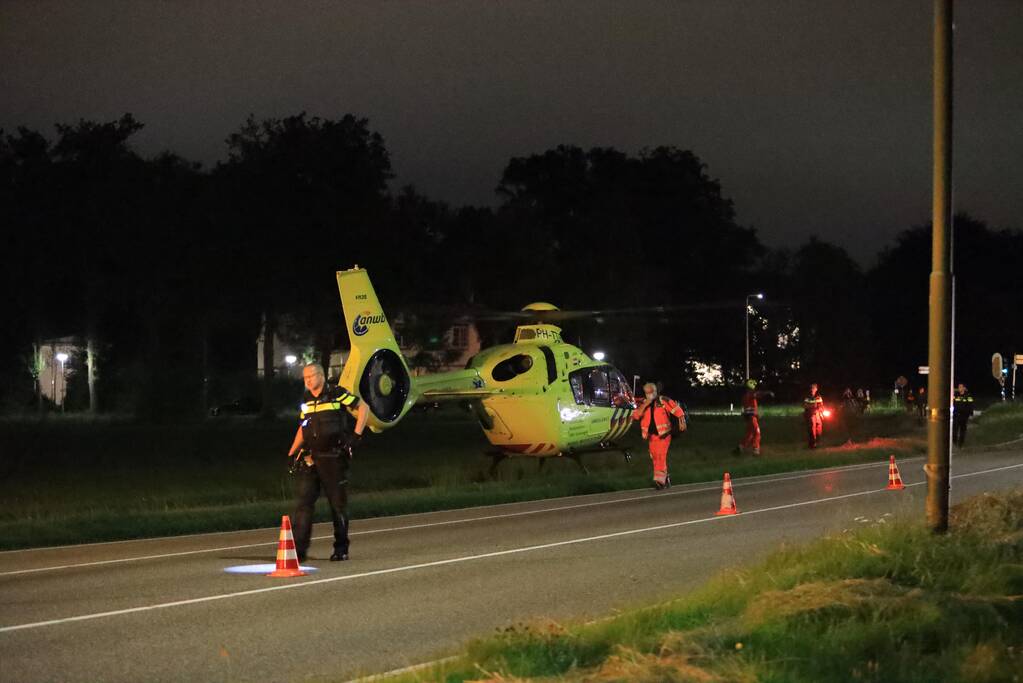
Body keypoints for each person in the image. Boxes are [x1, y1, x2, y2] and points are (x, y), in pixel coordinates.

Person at [287, 363, 369, 562]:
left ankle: (341, 548)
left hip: (333, 458)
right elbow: (303, 427)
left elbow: (363, 407)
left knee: (337, 504)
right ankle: (299, 550)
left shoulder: (336, 393)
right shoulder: (306, 399)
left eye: (311, 376)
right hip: (311, 458)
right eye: (305, 377)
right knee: (304, 503)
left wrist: (356, 436)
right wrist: (292, 452)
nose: (307, 380)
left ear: (321, 376)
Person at [632, 382, 686, 489]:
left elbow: (676, 409)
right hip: (651, 437)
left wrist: (682, 420)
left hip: (664, 435)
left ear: (655, 391)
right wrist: (645, 404)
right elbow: (636, 416)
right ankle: (665, 478)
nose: (650, 394)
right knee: (655, 457)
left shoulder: (662, 401)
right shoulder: (643, 403)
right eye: (647, 392)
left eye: (651, 392)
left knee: (661, 456)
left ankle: (659, 481)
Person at [737, 379, 771, 456]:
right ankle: (756, 449)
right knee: (757, 433)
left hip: (749, 417)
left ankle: (740, 447)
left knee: (749, 434)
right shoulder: (750, 395)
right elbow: (758, 394)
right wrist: (767, 393)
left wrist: (756, 413)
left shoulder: (745, 396)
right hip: (751, 417)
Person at [803, 383, 825, 449]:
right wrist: (813, 406)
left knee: (819, 429)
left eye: (814, 388)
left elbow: (821, 405)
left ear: (816, 389)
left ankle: (817, 442)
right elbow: (805, 406)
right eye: (812, 388)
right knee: (812, 430)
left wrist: (821, 412)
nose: (812, 389)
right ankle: (812, 444)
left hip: (817, 414)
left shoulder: (819, 396)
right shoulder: (807, 397)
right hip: (810, 415)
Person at [952, 383, 974, 447]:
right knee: (955, 430)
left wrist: (970, 414)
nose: (959, 388)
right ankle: (954, 442)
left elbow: (970, 405)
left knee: (962, 430)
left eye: (961, 387)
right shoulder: (956, 395)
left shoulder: (968, 396)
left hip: (964, 416)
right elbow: (953, 402)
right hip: (956, 415)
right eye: (959, 387)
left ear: (964, 388)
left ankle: (960, 443)